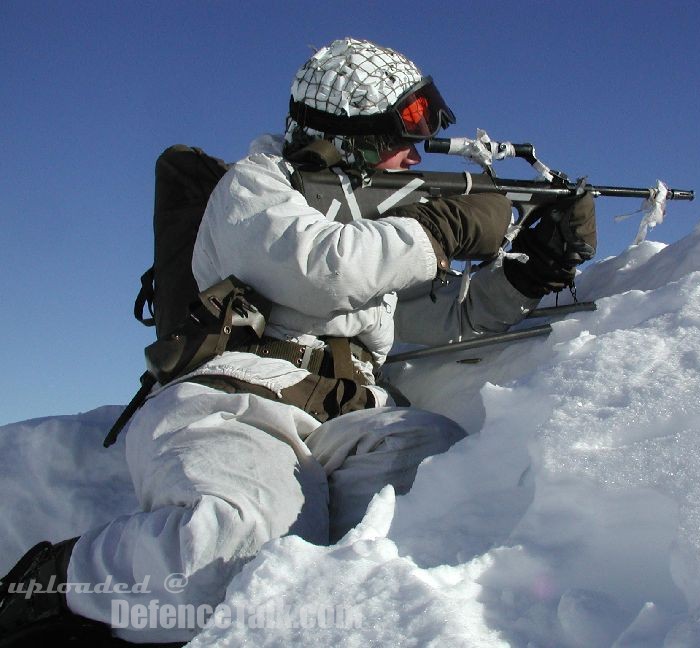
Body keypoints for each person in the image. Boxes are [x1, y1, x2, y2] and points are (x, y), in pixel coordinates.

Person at [0, 37, 595, 645]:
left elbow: (446, 316)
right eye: (400, 139)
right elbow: (324, 269)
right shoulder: (255, 190)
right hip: (237, 406)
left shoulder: (373, 229)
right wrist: (439, 230)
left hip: (349, 419)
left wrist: (531, 273)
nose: (414, 159)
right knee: (232, 552)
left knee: (443, 491)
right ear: (349, 136)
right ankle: (59, 581)